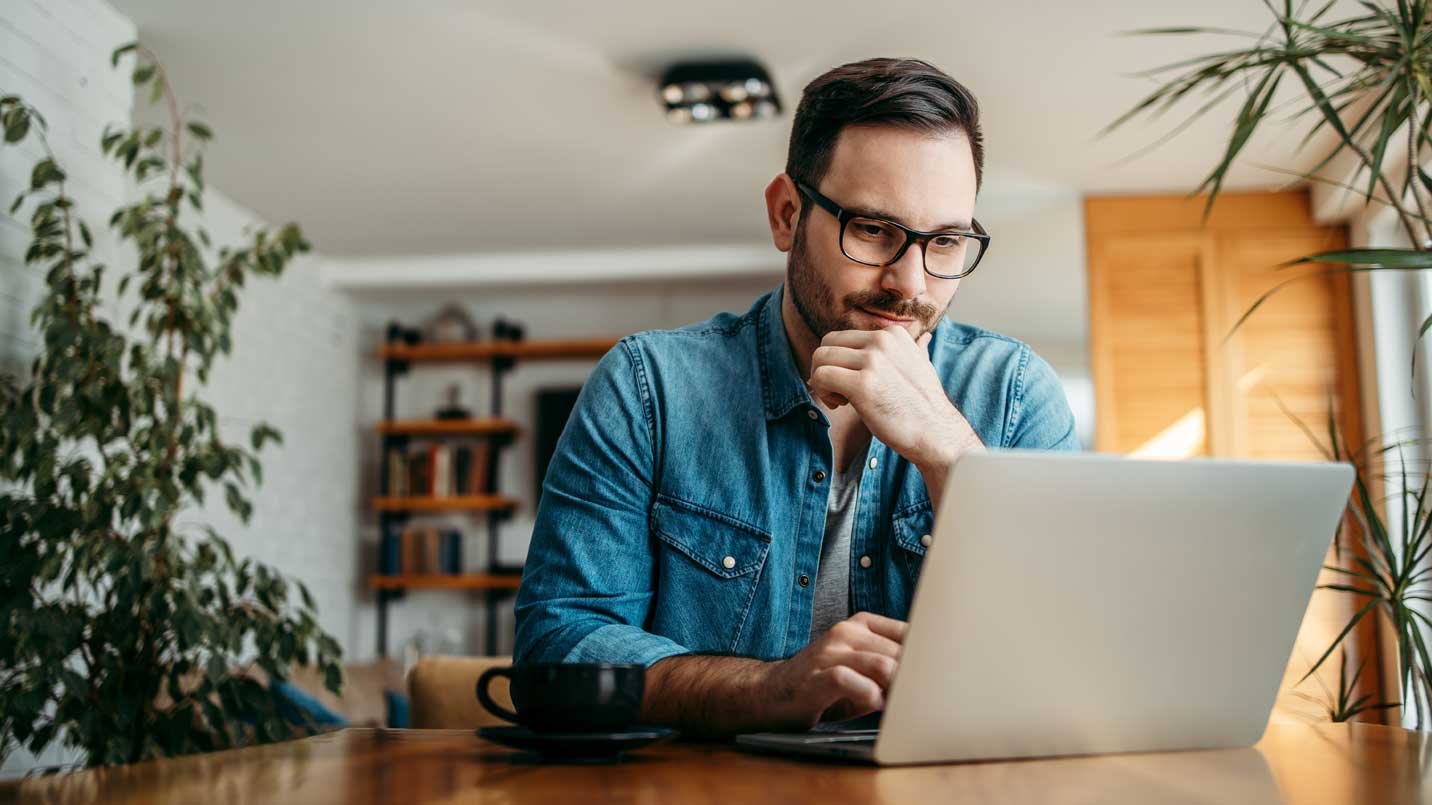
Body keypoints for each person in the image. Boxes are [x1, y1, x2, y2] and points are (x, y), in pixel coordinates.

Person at [513, 57, 1080, 736]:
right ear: (787, 215)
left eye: (947, 241)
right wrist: (769, 688)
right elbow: (558, 648)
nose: (911, 282)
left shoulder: (1016, 396)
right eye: (873, 229)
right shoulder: (648, 389)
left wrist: (951, 455)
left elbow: (1073, 663)